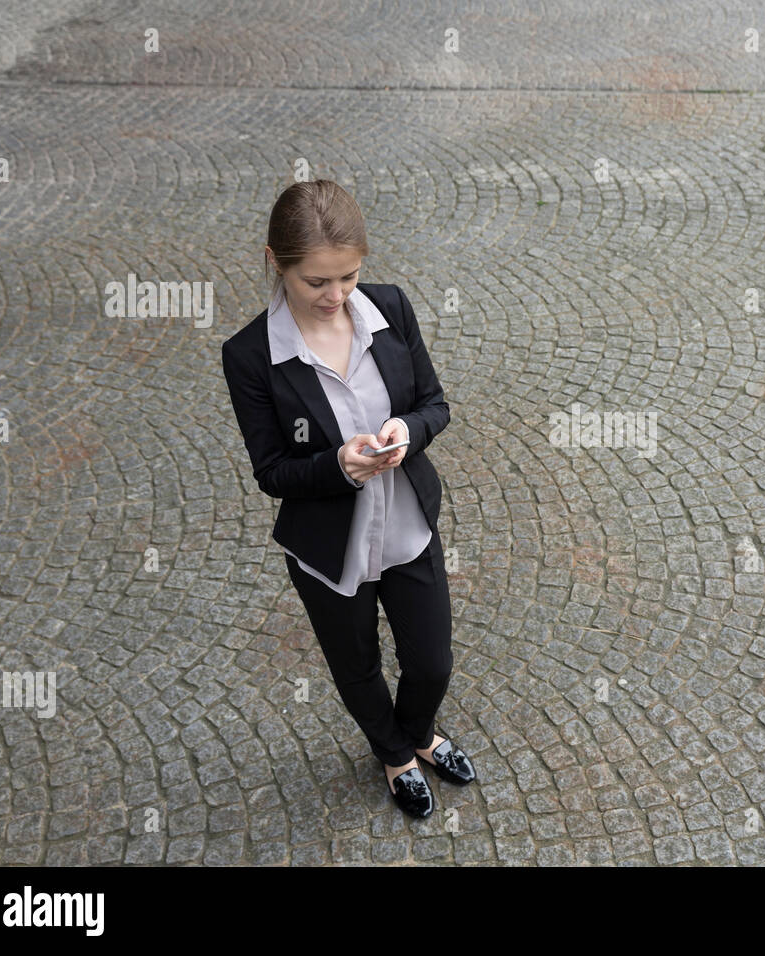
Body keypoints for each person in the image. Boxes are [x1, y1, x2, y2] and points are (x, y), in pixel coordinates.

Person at [220, 179, 475, 819]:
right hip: (329, 547)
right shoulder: (251, 355)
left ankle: (420, 731)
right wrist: (338, 465)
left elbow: (433, 406)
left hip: (407, 526)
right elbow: (272, 471)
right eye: (317, 283)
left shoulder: (390, 309)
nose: (336, 296)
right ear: (278, 263)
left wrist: (407, 432)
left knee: (432, 661)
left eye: (349, 277)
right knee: (356, 665)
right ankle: (393, 753)